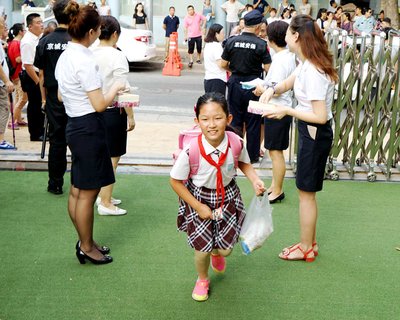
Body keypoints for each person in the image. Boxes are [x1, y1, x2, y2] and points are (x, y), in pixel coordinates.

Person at [170, 92, 265, 302]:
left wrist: (254, 179)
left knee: (225, 252)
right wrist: (197, 206)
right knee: (201, 250)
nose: (211, 125)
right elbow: (175, 181)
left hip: (228, 197)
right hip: (199, 199)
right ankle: (202, 278)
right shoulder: (191, 150)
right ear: (197, 121)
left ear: (229, 119)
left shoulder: (236, 143)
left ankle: (216, 253)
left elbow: (243, 162)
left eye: (218, 118)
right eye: (205, 119)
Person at [259, 14, 338, 262]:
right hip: (310, 132)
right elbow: (288, 83)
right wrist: (272, 89)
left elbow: (321, 116)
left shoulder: (313, 70)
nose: (284, 37)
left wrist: (286, 110)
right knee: (306, 192)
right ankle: (308, 244)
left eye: (287, 33)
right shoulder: (306, 62)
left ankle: (305, 247)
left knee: (306, 193)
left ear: (295, 36)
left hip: (315, 133)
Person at [55, 1, 125, 265]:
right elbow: (98, 104)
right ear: (93, 32)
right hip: (89, 127)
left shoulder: (66, 54)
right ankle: (86, 245)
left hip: (75, 124)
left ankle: (86, 241)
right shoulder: (84, 58)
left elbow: (62, 96)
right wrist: (116, 87)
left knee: (77, 189)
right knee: (88, 192)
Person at [92, 15, 135, 216]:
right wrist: (131, 116)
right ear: (115, 34)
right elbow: (123, 91)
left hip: (92, 110)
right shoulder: (117, 55)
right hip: (112, 111)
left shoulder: (90, 52)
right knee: (112, 159)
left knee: (101, 156)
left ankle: (103, 195)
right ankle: (106, 202)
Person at [221, 10, 272, 164]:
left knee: (235, 120)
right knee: (254, 121)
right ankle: (252, 157)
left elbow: (223, 64)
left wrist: (236, 71)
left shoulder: (231, 41)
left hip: (235, 84)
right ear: (258, 27)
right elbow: (269, 68)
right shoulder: (261, 44)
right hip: (254, 87)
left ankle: (235, 154)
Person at [253, 21, 296, 203]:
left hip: (277, 109)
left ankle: (277, 190)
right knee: (274, 151)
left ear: (271, 39)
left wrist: (261, 89)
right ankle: (274, 186)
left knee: (276, 152)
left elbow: (276, 87)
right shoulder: (288, 56)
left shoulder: (280, 59)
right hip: (280, 108)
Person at [34, 0, 71, 195]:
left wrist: (43, 99)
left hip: (53, 99)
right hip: (75, 97)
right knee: (77, 140)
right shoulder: (77, 40)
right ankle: (79, 183)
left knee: (57, 141)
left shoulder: (45, 41)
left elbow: (41, 75)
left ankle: (54, 183)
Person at [20, 13, 45, 141]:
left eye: (41, 22)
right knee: (34, 105)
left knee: (40, 104)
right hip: (32, 76)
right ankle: (35, 134)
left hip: (38, 75)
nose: (41, 24)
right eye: (38, 22)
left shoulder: (39, 37)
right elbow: (28, 65)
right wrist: (37, 82)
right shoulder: (27, 42)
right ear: (30, 26)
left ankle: (41, 130)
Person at [7, 23, 28, 129]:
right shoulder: (16, 43)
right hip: (18, 74)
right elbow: (17, 59)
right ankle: (12, 121)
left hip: (16, 74)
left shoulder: (13, 42)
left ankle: (18, 119)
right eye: (24, 30)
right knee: (23, 98)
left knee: (19, 97)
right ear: (20, 31)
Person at [0, 16, 15, 150]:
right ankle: (0, 140)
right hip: (1, 84)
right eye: (3, 24)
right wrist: (6, 81)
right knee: (3, 110)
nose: (5, 27)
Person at [203, 24, 227, 96]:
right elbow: (221, 65)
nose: (224, 35)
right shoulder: (217, 46)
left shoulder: (208, 45)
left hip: (208, 79)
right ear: (216, 34)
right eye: (222, 33)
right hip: (217, 80)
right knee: (217, 105)